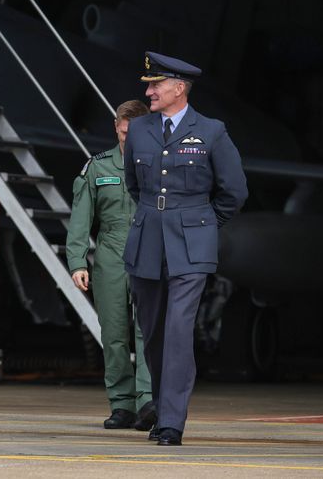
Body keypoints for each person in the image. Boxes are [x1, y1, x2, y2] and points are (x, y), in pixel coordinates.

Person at [123, 51, 248, 446]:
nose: (149, 91)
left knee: (178, 330)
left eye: (156, 85)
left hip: (191, 244)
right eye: (149, 84)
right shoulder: (140, 129)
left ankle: (172, 423)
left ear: (179, 89)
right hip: (147, 240)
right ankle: (163, 407)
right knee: (154, 331)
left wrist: (204, 224)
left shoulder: (210, 130)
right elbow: (133, 183)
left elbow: (235, 191)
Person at [66, 99, 156, 432]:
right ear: (115, 126)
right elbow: (80, 220)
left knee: (147, 330)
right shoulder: (98, 168)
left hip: (149, 253)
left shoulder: (158, 165)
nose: (127, 136)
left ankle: (147, 399)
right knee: (115, 333)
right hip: (110, 257)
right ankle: (122, 404)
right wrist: (77, 261)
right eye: (122, 129)